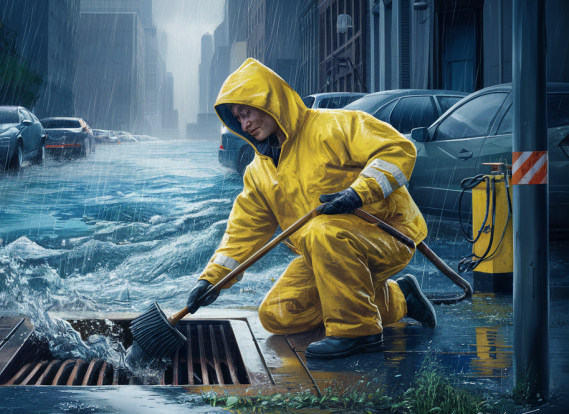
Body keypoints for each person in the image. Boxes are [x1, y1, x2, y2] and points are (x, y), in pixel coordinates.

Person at [187, 58, 436, 359]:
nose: (244, 124)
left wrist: (358, 193)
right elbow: (245, 230)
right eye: (237, 119)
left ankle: (358, 333)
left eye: (246, 112)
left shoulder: (334, 126)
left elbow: (397, 149)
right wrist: (211, 280)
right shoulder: (259, 172)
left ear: (267, 101)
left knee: (322, 231)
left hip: (390, 231)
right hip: (325, 250)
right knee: (278, 315)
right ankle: (401, 299)